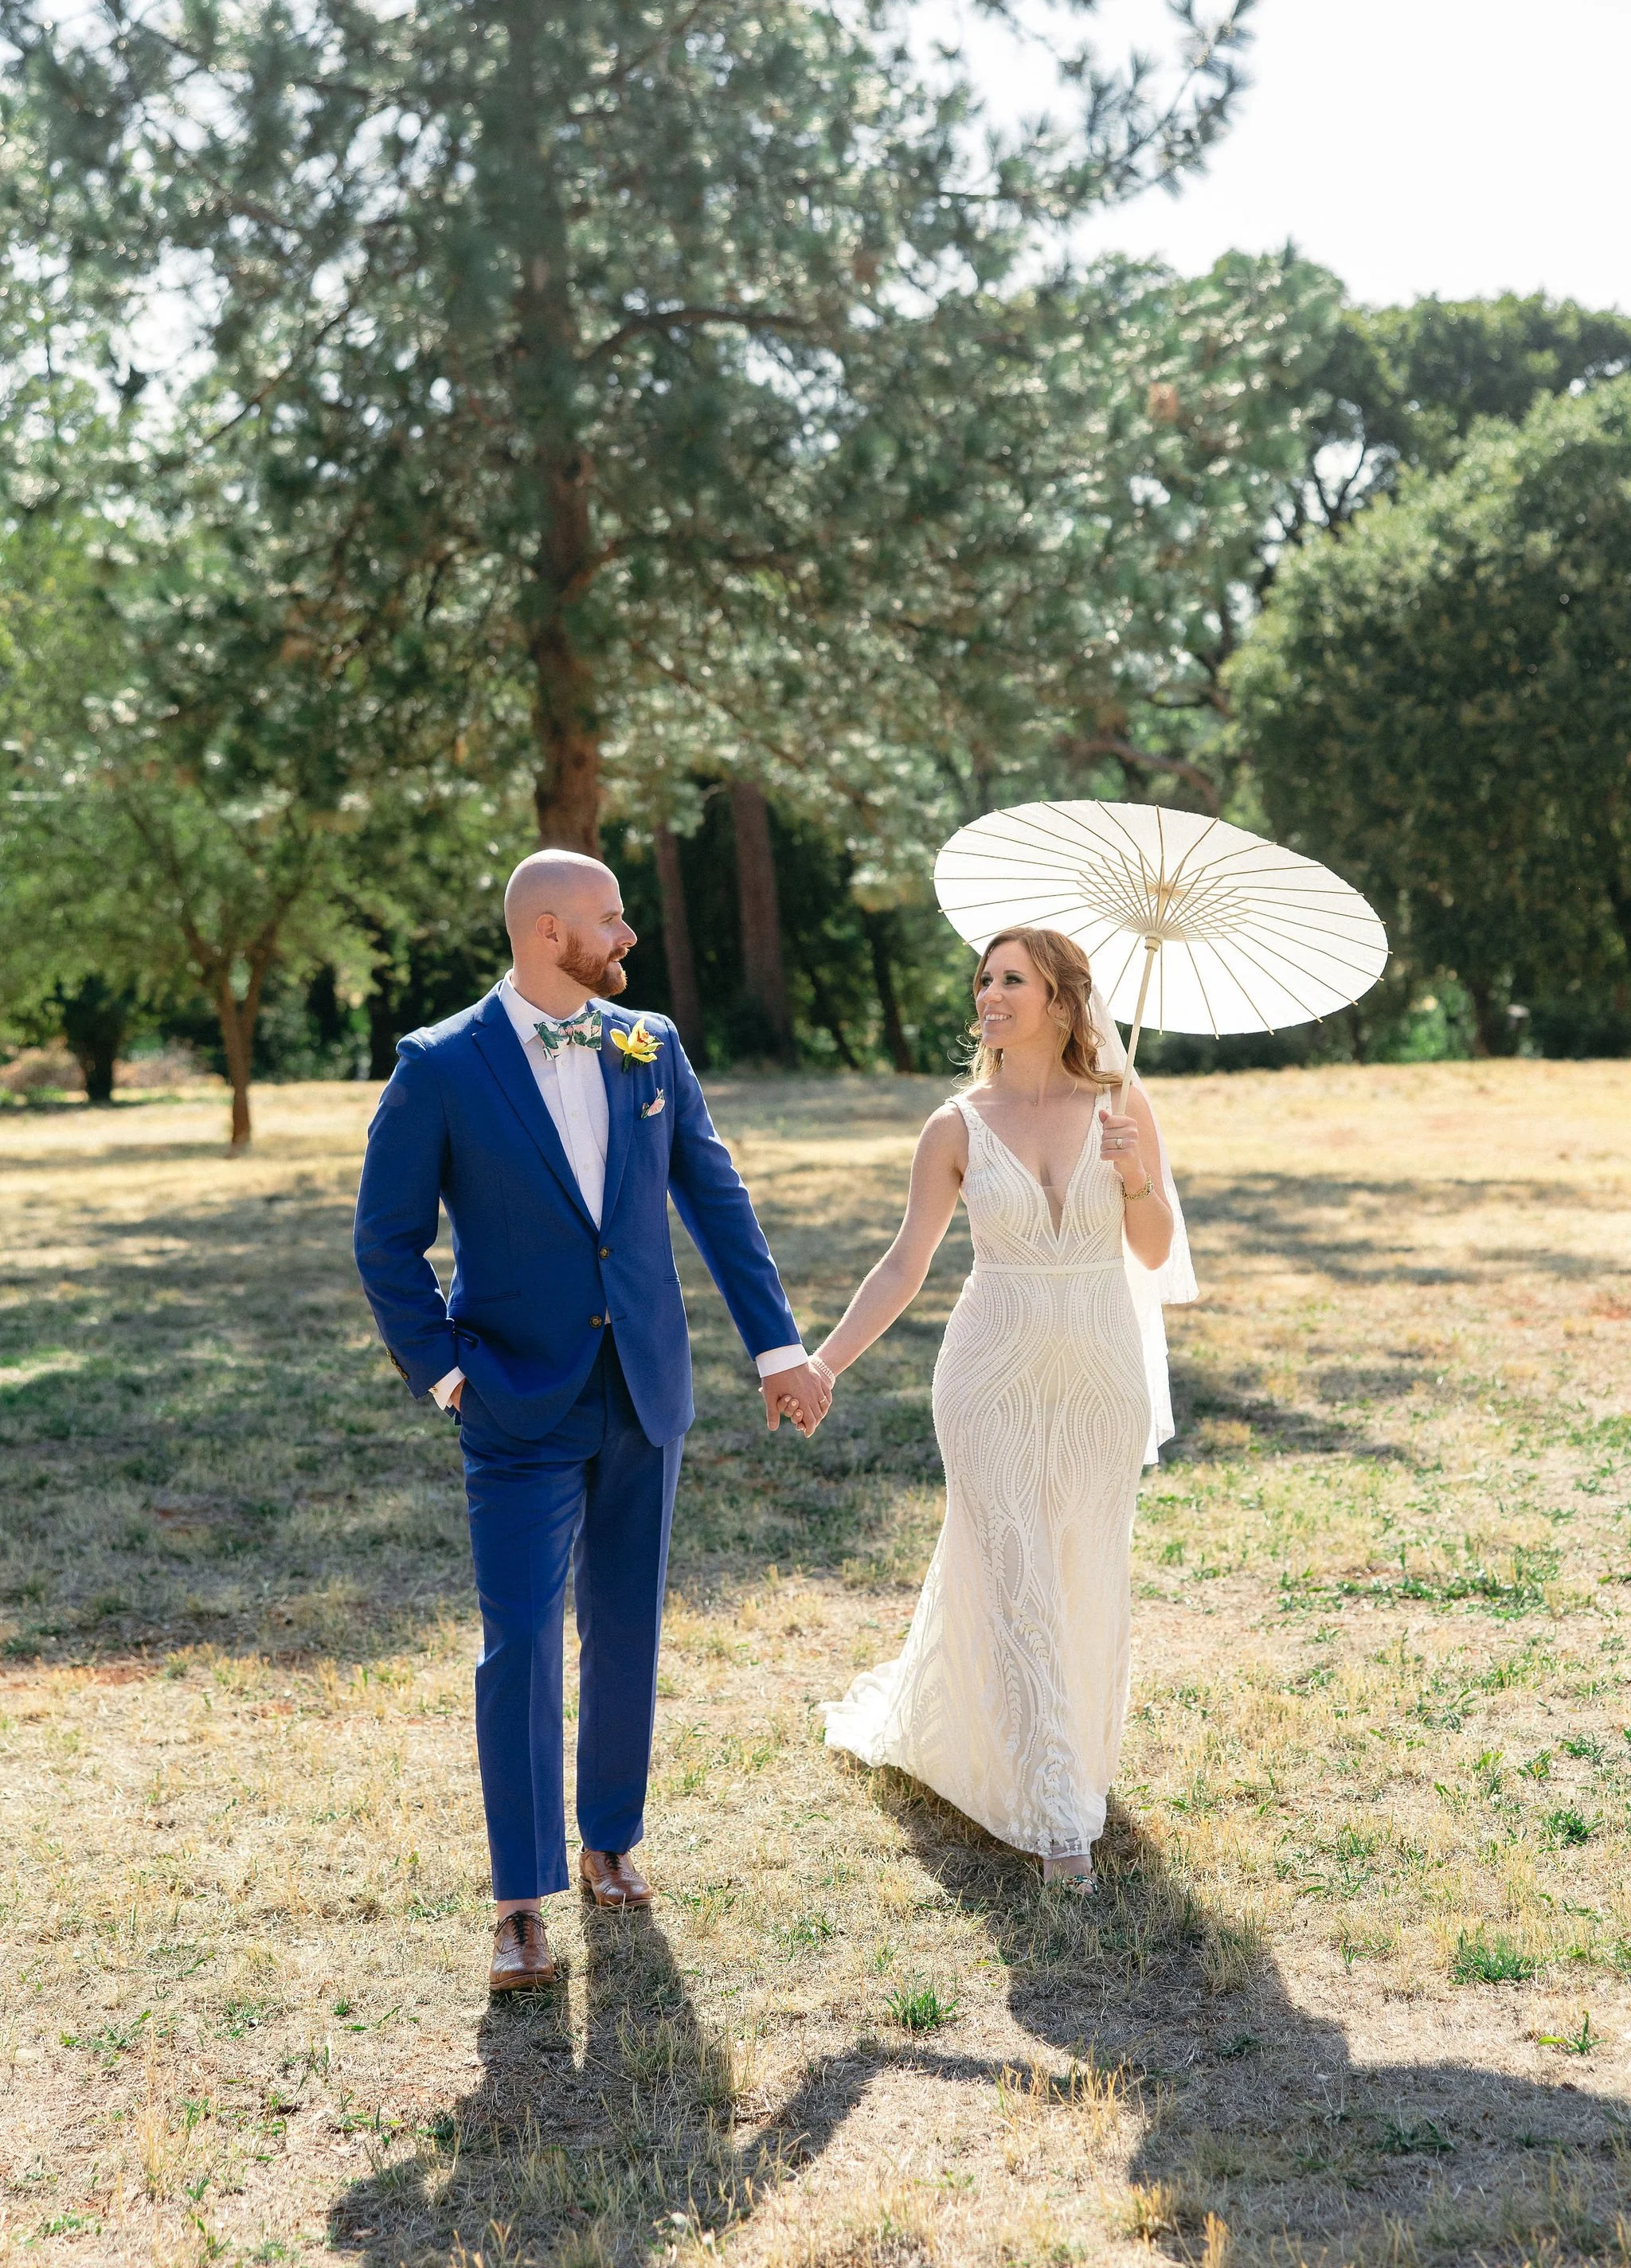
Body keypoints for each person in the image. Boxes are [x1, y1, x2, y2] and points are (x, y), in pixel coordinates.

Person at [353, 850, 831, 1990]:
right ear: (548, 930)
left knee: (626, 1630)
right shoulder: (439, 1067)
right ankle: (520, 1903)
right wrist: (447, 1374)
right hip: (514, 1397)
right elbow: (386, 1242)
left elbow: (716, 1198)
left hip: (645, 1390)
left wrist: (776, 1348)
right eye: (612, 920)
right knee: (519, 1641)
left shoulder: (648, 1043)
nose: (629, 937)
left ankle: (611, 1840)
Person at [814, 926, 1195, 1889]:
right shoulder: (954, 1125)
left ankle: (1053, 1753)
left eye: (1010, 979)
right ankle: (1056, 1809)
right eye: (982, 978)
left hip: (1099, 1376)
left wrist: (1133, 1171)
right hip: (988, 1373)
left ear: (1062, 1001)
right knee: (1018, 1568)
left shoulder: (1120, 1103)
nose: (988, 993)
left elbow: (1152, 1252)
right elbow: (905, 1262)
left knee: (1081, 1565)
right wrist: (824, 1362)